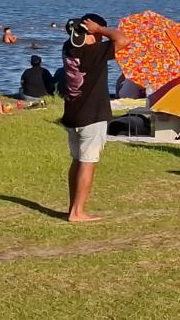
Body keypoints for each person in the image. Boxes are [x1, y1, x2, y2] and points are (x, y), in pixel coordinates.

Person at [61, 13, 130, 222]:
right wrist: (99, 30)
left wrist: (91, 31)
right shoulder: (95, 51)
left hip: (73, 113)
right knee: (88, 162)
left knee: (78, 161)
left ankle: (73, 207)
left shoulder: (68, 47)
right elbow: (123, 40)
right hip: (92, 115)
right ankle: (77, 212)